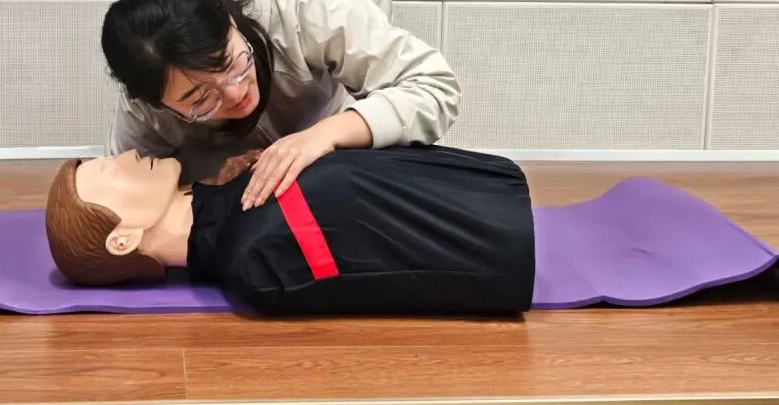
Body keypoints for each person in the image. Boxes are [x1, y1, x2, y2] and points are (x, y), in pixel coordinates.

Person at [100, 0, 461, 208]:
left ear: (230, 20)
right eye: (200, 99)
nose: (235, 93)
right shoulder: (145, 94)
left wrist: (325, 135)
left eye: (231, 63)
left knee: (344, 154)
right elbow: (125, 196)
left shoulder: (306, 2)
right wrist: (208, 182)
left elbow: (434, 86)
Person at [45, 144, 537, 315]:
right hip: (501, 239)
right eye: (111, 174)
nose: (128, 156)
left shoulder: (239, 188)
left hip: (492, 193)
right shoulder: (261, 262)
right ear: (124, 239)